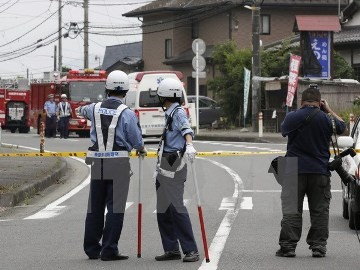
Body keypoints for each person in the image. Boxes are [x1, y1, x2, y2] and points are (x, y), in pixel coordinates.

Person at [77, 70, 147, 261]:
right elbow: (135, 139)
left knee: (95, 206)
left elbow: (80, 111)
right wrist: (140, 148)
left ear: (107, 89)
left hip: (97, 162)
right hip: (118, 163)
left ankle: (92, 248)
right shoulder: (127, 113)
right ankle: (109, 249)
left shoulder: (94, 108)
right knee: (115, 207)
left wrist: (87, 112)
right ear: (125, 92)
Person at [276, 85, 346, 258]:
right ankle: (318, 246)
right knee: (320, 210)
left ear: (302, 101)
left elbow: (283, 130)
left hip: (293, 168)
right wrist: (329, 110)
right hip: (319, 169)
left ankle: (288, 246)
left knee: (292, 209)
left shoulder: (293, 117)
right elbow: (343, 127)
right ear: (319, 102)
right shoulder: (326, 119)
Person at [154, 78, 199, 263]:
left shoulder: (178, 112)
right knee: (163, 208)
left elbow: (186, 130)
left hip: (174, 161)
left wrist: (189, 145)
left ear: (164, 96)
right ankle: (171, 248)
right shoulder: (170, 113)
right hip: (165, 162)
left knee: (176, 206)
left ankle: (191, 250)